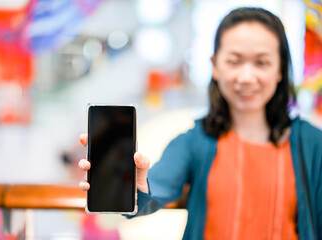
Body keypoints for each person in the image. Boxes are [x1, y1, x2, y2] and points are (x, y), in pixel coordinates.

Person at [78, 7, 322, 240]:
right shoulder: (194, 140)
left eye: (262, 62)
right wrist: (133, 184)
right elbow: (151, 194)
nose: (246, 77)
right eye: (234, 61)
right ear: (215, 65)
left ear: (280, 69)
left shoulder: (313, 144)